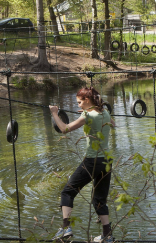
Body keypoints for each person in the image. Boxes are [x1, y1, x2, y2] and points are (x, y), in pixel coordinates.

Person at [50, 87, 115, 243]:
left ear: (87, 100)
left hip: (92, 161)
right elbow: (112, 124)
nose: (78, 105)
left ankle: (66, 228)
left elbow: (65, 129)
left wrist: (54, 113)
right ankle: (107, 235)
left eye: (79, 102)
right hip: (106, 161)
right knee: (99, 199)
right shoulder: (104, 112)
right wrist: (90, 115)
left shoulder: (88, 115)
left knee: (67, 192)